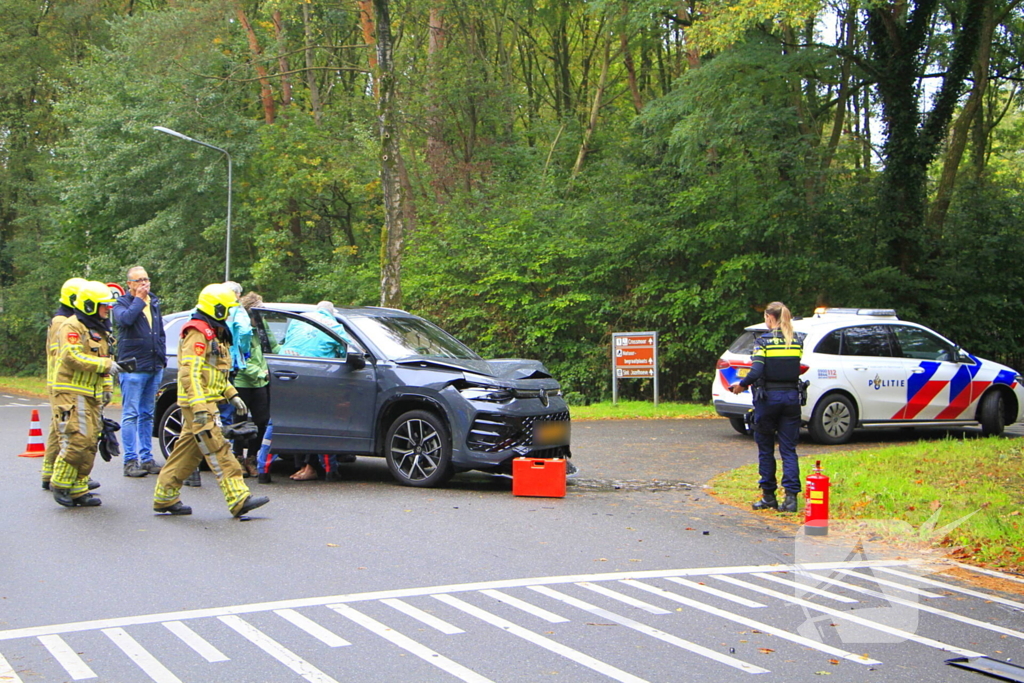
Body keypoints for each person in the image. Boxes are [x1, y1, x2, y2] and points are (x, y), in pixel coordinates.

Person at [152, 283, 268, 517]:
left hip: (207, 401)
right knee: (218, 448)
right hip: (199, 404)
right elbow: (190, 373)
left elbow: (215, 372)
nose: (229, 314)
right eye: (226, 309)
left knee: (187, 453)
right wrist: (199, 407)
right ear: (216, 308)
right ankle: (238, 498)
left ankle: (164, 497)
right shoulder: (197, 332)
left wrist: (232, 394)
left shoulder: (214, 332)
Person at [49, 281, 122, 507]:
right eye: (104, 305)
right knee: (77, 440)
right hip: (71, 391)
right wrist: (105, 365)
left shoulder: (100, 329)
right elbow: (72, 356)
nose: (108, 309)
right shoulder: (72, 326)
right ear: (90, 306)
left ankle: (79, 489)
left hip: (92, 393)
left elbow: (106, 358)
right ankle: (60, 483)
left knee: (90, 443)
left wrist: (107, 388)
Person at [729, 301, 805, 512]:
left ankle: (768, 497)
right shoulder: (796, 341)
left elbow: (756, 371)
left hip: (768, 399)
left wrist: (741, 385)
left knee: (765, 448)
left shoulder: (763, 342)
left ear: (770, 318)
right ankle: (791, 499)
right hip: (792, 398)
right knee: (788, 449)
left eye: (765, 318)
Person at [112, 266, 167, 478]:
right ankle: (130, 460)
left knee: (147, 414)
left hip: (154, 365)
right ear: (130, 284)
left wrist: (161, 357)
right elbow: (125, 320)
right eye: (139, 280)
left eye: (146, 279)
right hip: (133, 368)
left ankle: (147, 458)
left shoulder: (154, 302)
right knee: (131, 414)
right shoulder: (122, 304)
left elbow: (159, 332)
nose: (144, 283)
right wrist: (138, 300)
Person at [41, 277, 95, 491]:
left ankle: (51, 472)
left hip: (61, 381)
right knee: (65, 429)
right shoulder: (62, 322)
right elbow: (60, 355)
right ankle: (58, 474)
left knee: (59, 426)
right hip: (61, 382)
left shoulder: (68, 320)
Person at [232, 291, 269, 478]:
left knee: (261, 421)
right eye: (257, 314)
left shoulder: (262, 327)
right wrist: (261, 372)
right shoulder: (242, 329)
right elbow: (241, 359)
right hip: (243, 382)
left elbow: (272, 346)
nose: (260, 318)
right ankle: (237, 457)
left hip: (260, 382)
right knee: (240, 422)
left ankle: (252, 458)